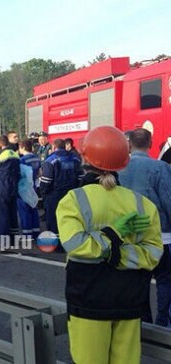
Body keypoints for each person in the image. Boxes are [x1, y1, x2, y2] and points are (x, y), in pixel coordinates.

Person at [57, 126, 163, 363]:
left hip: (88, 300)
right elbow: (154, 253)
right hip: (130, 301)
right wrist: (122, 255)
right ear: (124, 163)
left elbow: (76, 246)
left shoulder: (74, 200)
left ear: (85, 159)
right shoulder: (142, 204)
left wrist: (111, 244)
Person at [118, 128, 171, 327]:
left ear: (129, 144)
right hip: (161, 235)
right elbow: (168, 200)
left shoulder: (119, 167)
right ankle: (162, 322)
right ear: (150, 144)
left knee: (139, 281)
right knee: (165, 280)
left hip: (130, 235)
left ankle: (144, 321)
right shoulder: (160, 167)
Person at [39, 139, 83, 237]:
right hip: (71, 193)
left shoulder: (51, 160)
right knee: (69, 217)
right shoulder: (75, 159)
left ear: (54, 147)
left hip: (54, 194)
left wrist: (44, 192)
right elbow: (80, 177)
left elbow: (46, 180)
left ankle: (56, 242)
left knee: (54, 218)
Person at [17, 140, 41, 239]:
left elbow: (19, 175)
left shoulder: (21, 160)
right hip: (33, 187)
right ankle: (36, 232)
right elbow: (40, 173)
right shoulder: (37, 158)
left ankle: (27, 235)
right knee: (33, 209)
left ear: (22, 147)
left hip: (24, 188)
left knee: (25, 211)